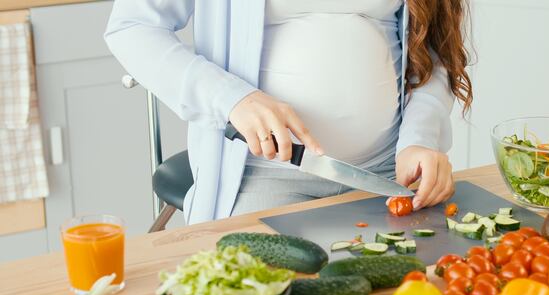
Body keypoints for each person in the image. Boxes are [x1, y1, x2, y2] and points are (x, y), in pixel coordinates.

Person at [105, 0, 472, 224]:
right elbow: (133, 28)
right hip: (262, 175)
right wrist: (233, 99)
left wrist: (420, 139)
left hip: (386, 174)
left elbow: (434, 53)